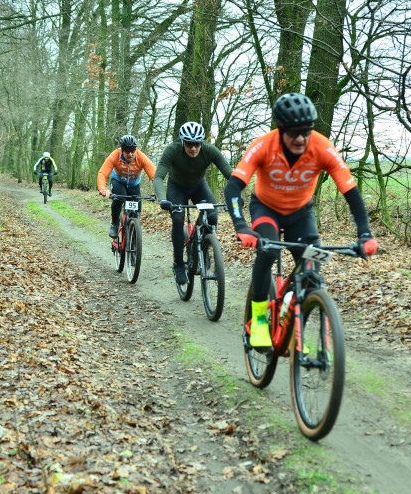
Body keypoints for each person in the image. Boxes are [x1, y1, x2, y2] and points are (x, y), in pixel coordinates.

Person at [224, 92, 378, 348]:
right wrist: (241, 227)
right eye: (293, 132)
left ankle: (294, 323)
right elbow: (232, 189)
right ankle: (260, 320)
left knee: (311, 270)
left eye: (306, 131)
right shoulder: (263, 145)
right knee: (268, 250)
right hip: (266, 209)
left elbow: (351, 192)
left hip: (301, 214)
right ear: (281, 129)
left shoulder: (322, 146)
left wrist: (365, 234)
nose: (300, 138)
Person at [154, 121, 233, 285]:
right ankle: (178, 263)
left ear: (201, 142)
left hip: (199, 186)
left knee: (212, 217)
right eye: (189, 144)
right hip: (177, 188)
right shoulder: (172, 150)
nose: (193, 148)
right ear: (183, 142)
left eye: (197, 144)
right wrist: (162, 199)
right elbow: (159, 177)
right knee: (177, 219)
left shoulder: (209, 150)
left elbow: (230, 175)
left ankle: (203, 248)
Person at [97, 134, 156, 237]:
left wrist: (157, 191)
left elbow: (154, 176)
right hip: (118, 182)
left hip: (134, 186)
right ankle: (114, 224)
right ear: (122, 150)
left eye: (132, 151)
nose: (130, 154)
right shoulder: (115, 155)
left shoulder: (141, 157)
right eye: (127, 151)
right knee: (119, 197)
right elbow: (102, 173)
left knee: (137, 211)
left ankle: (133, 235)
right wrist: (103, 189)